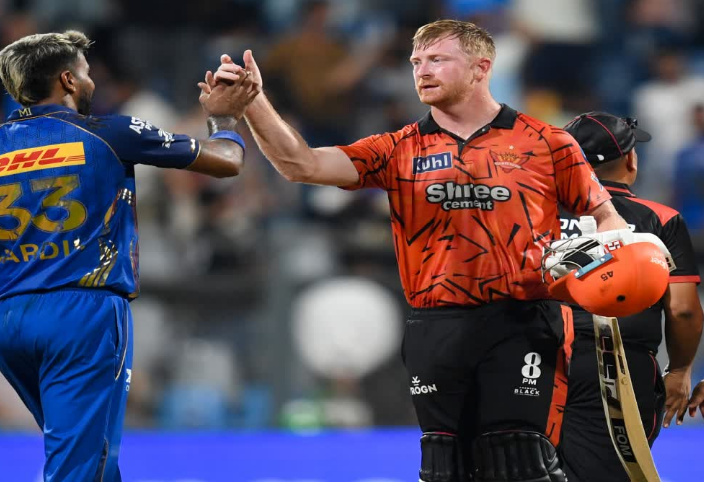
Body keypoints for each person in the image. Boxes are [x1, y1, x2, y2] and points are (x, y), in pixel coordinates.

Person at [207, 20, 629, 482]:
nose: (422, 71)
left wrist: (597, 265)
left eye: (437, 60)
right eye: (416, 62)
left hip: (522, 322)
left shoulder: (547, 142)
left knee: (519, 461)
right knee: (444, 467)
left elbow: (607, 219)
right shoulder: (398, 148)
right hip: (435, 325)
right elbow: (300, 164)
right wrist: (253, 101)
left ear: (481, 68)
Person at [0, 30, 259, 481]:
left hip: (6, 322)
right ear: (68, 80)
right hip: (82, 315)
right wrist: (225, 118)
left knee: (92, 460)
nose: (92, 82)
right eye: (86, 72)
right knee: (79, 468)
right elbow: (226, 161)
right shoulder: (109, 133)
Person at [558, 112, 703, 482]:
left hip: (534, 360)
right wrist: (680, 370)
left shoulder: (533, 213)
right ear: (631, 159)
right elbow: (683, 310)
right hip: (618, 368)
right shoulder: (661, 218)